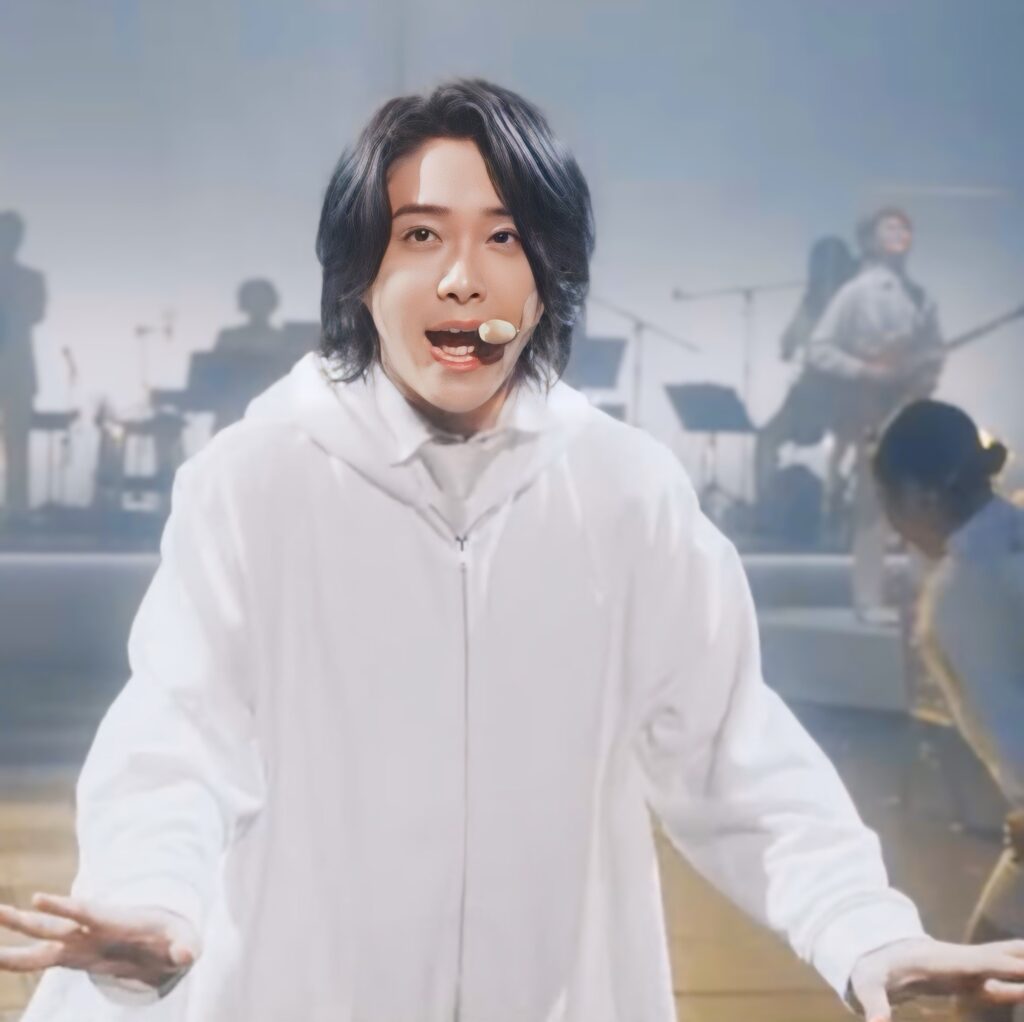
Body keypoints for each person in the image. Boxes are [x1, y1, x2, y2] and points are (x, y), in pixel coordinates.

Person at [1, 80, 1022, 1022]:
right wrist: (152, 895)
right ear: (360, 272)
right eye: (419, 235)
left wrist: (864, 927)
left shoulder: (624, 491)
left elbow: (732, 753)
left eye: (504, 237)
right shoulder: (254, 482)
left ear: (549, 275)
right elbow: (179, 735)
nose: (462, 278)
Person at [874, 399, 1024, 1021]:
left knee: (984, 995)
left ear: (920, 495)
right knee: (986, 987)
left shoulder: (964, 591)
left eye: (887, 500)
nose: (889, 521)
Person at [806, 207, 944, 619]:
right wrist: (868, 371)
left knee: (921, 504)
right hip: (871, 408)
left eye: (905, 227)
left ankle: (923, 600)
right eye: (890, 227)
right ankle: (868, 598)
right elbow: (819, 348)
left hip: (912, 407)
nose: (899, 233)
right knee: (872, 506)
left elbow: (934, 348)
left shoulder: (920, 296)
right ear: (870, 239)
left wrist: (925, 372)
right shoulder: (856, 293)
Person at [754, 234, 858, 509]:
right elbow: (787, 344)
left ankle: (835, 511)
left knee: (845, 449)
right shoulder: (809, 303)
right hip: (805, 398)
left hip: (845, 401)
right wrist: (791, 345)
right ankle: (767, 509)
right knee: (766, 439)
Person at [0, 210, 47, 520]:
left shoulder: (31, 279)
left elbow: (36, 314)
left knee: (17, 442)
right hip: (16, 369)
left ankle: (17, 507)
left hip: (17, 370)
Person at [209, 278, 286, 431]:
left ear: (271, 303)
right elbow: (214, 373)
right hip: (231, 409)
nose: (258, 304)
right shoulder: (229, 337)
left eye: (262, 299)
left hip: (272, 410)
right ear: (245, 303)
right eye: (254, 299)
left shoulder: (283, 339)